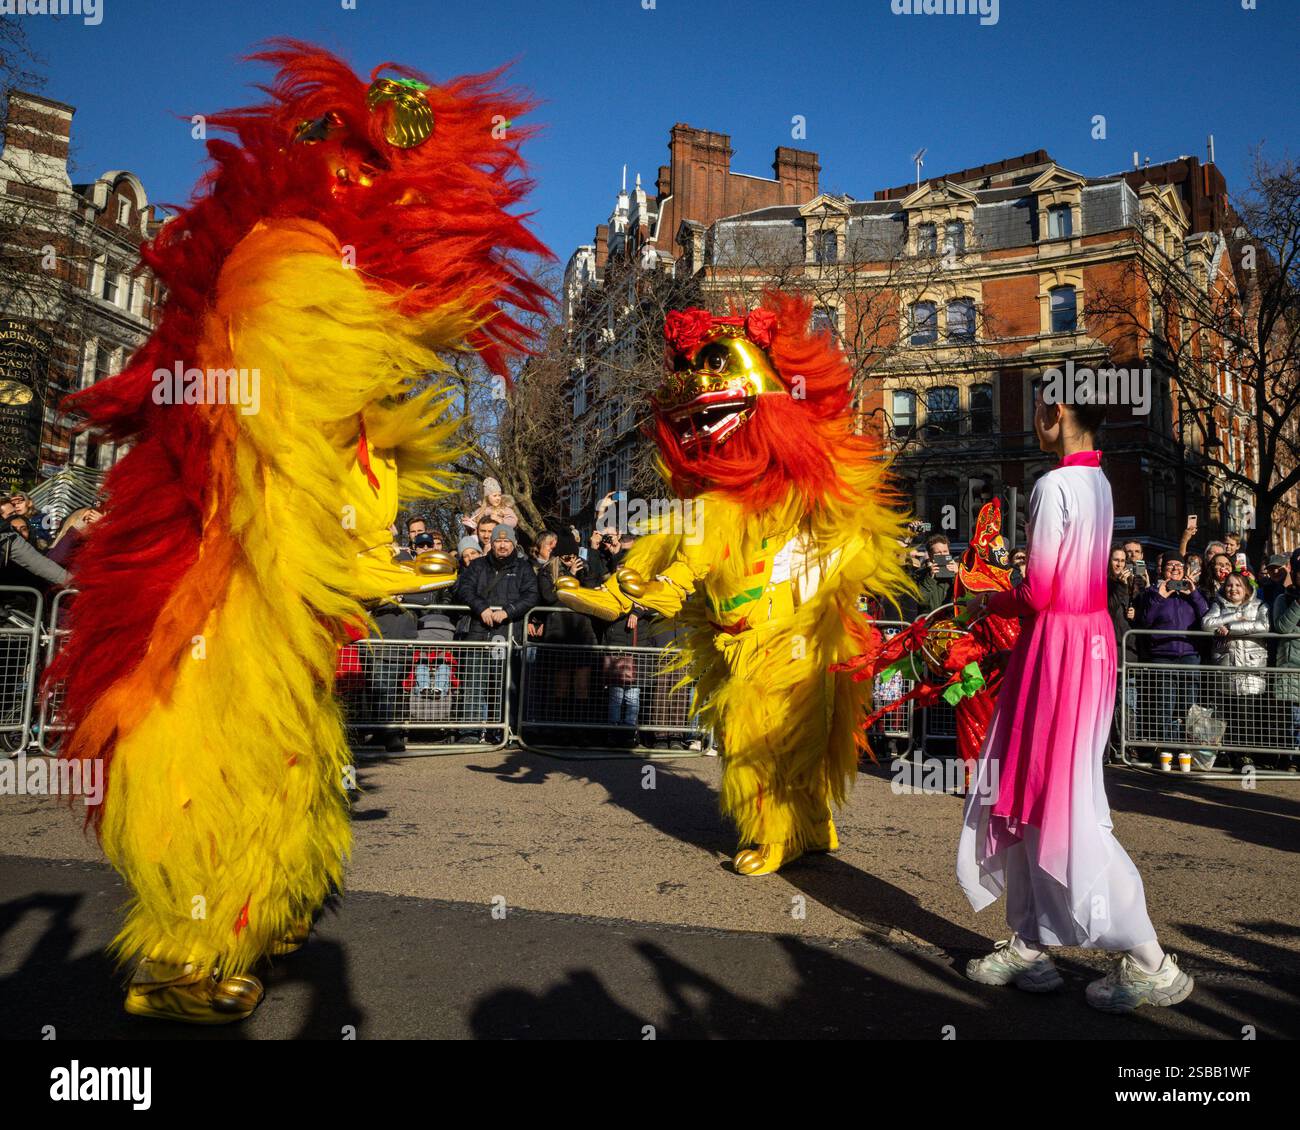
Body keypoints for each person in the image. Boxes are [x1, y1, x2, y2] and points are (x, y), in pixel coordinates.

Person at [959, 393, 1192, 1013]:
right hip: (1087, 644)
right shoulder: (1100, 482)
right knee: (1047, 794)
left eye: (1037, 408)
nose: (1033, 419)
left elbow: (1037, 589)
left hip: (1058, 647)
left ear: (1056, 412)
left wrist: (988, 599)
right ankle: (1031, 942)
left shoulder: (1056, 484)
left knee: (1061, 800)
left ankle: (1149, 959)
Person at [458, 524, 538, 741]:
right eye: (498, 541)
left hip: (507, 635)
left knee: (505, 685)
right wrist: (481, 608)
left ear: (513, 543)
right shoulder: (477, 566)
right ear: (491, 544)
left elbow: (532, 595)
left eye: (506, 541)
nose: (502, 545)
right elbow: (464, 589)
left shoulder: (524, 568)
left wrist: (508, 612)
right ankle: (469, 732)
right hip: (478, 633)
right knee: (474, 683)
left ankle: (504, 730)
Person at [1134, 554, 1208, 756]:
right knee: (1164, 705)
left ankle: (1187, 750)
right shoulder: (1151, 592)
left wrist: (1193, 594)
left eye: (1179, 565)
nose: (1175, 568)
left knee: (1188, 707)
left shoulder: (1193, 593)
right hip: (1163, 655)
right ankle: (1167, 749)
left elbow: (1206, 618)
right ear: (1161, 570)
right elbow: (1146, 621)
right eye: (1170, 565)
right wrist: (1159, 597)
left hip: (1189, 655)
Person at [1202, 571, 1271, 769]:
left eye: (1238, 585)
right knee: (1226, 714)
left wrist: (1230, 627)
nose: (1233, 589)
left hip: (1251, 669)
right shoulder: (1218, 604)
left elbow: (1264, 625)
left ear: (1247, 588)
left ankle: (1246, 754)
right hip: (1226, 668)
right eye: (1229, 585)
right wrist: (1233, 616)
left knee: (1247, 715)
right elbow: (1206, 624)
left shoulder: (1260, 605)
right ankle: (1228, 753)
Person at [1106, 546, 1141, 762]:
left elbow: (1145, 614)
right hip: (1109, 649)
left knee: (1128, 703)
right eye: (1115, 560)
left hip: (1128, 650)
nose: (1119, 564)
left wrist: (1136, 613)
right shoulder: (1106, 584)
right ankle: (1109, 749)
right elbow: (1107, 608)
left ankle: (1128, 747)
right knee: (1109, 704)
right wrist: (1119, 586)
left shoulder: (1133, 585)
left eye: (1122, 560)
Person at [1271, 549, 1300, 762]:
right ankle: (1293, 761)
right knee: (1294, 720)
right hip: (1291, 669)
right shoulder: (1284, 598)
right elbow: (1282, 626)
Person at [918, 533, 959, 612]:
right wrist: (929, 578)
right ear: (930, 555)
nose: (942, 555)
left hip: (951, 620)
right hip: (930, 620)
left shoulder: (958, 572)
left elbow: (964, 597)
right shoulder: (920, 575)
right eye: (938, 553)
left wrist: (958, 576)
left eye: (945, 551)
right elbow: (921, 601)